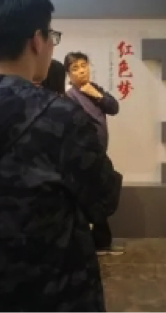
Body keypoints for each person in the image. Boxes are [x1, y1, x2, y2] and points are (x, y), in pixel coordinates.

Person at [0, 0, 123, 313]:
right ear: (37, 40)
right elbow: (104, 199)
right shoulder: (62, 117)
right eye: (51, 36)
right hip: (55, 292)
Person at [63, 51, 123, 256]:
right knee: (92, 199)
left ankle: (100, 242)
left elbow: (114, 107)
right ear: (68, 74)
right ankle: (95, 243)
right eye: (75, 68)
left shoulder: (94, 89)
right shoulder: (69, 97)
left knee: (102, 195)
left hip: (98, 155)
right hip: (85, 158)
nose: (81, 71)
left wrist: (95, 94)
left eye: (83, 66)